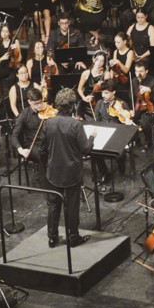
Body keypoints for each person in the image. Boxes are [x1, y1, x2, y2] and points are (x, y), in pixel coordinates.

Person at [37, 88, 94, 248]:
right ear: (72, 106)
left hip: (53, 172)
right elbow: (85, 149)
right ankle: (73, 238)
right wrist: (92, 137)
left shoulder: (48, 123)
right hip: (71, 173)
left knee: (53, 205)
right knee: (72, 207)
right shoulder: (75, 125)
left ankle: (52, 238)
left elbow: (42, 149)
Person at [132, 60, 154, 149]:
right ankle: (137, 141)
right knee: (130, 119)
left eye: (140, 71)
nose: (138, 74)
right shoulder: (133, 80)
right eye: (136, 71)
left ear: (146, 71)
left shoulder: (153, 82)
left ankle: (149, 142)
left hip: (151, 106)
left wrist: (150, 91)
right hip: (139, 105)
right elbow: (131, 96)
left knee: (145, 122)